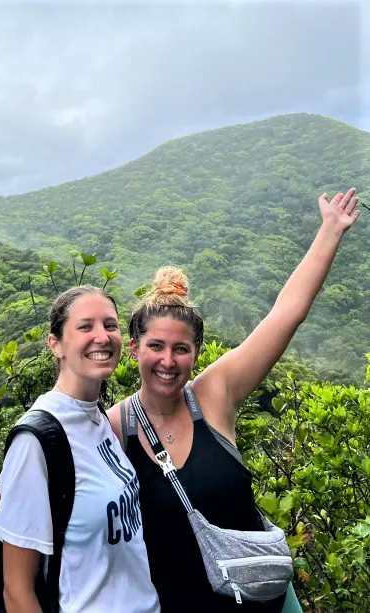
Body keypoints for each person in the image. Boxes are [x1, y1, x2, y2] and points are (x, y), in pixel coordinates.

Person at [107, 188, 361, 611]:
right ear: (134, 348)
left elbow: (286, 314)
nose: (167, 361)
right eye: (155, 346)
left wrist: (331, 230)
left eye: (181, 349)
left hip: (270, 601)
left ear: (197, 353)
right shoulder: (115, 429)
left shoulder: (214, 394)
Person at [0, 285, 160, 612]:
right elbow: (17, 591)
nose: (102, 336)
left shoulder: (99, 420)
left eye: (110, 325)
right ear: (55, 344)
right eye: (85, 326)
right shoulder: (37, 440)